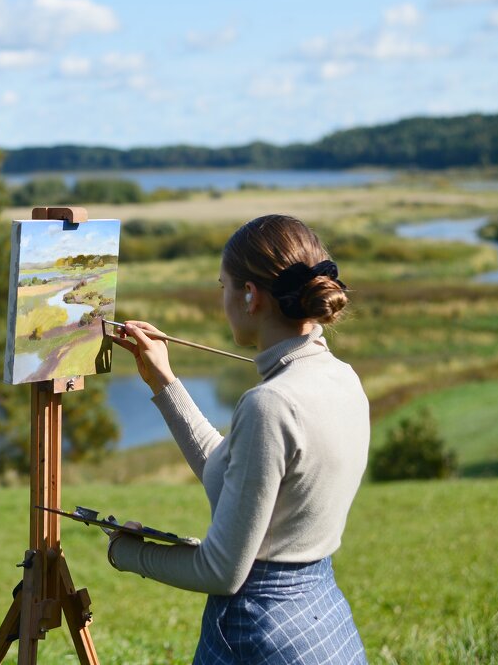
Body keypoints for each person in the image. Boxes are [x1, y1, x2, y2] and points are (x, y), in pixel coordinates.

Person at [108, 214, 369, 665]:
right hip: (324, 624)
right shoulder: (342, 378)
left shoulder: (270, 403)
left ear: (249, 296)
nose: (221, 298)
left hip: (260, 636)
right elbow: (232, 472)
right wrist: (164, 383)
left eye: (223, 285)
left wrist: (129, 553)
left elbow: (221, 571)